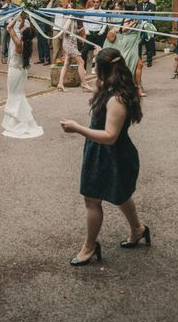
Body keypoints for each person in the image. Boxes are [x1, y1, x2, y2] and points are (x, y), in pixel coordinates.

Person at [60, 47, 149, 266]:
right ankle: (138, 230)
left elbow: (110, 136)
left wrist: (77, 128)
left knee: (93, 199)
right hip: (103, 151)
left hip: (111, 154)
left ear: (104, 69)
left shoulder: (116, 99)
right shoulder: (110, 87)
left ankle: (90, 247)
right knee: (119, 195)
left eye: (96, 67)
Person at [2, 14, 43, 138]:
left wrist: (17, 16)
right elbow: (18, 28)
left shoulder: (18, 43)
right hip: (22, 72)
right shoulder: (27, 43)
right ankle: (19, 120)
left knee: (14, 95)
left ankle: (16, 123)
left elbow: (9, 27)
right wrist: (23, 19)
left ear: (23, 34)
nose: (22, 28)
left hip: (15, 72)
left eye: (23, 28)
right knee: (19, 95)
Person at [103, 3, 146, 96]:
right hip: (127, 44)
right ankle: (135, 87)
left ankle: (136, 86)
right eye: (135, 8)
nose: (136, 10)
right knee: (136, 64)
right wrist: (133, 23)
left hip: (133, 44)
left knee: (137, 65)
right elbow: (123, 29)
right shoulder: (127, 18)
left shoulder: (135, 17)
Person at [56, 10, 93, 92]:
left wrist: (80, 30)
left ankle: (60, 84)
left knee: (66, 64)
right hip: (69, 45)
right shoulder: (69, 19)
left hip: (71, 44)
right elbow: (65, 31)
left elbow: (73, 32)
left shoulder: (73, 19)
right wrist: (69, 23)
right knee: (81, 62)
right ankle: (84, 83)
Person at [81, 0, 107, 72]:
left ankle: (94, 68)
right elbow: (85, 21)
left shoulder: (103, 12)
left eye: (97, 2)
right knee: (84, 51)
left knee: (98, 52)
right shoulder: (88, 11)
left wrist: (101, 32)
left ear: (100, 3)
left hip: (98, 34)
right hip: (90, 34)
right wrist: (86, 31)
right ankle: (84, 68)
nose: (95, 3)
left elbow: (104, 23)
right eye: (94, 2)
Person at [137, 0, 156, 67]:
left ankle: (149, 61)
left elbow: (151, 14)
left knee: (149, 44)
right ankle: (139, 60)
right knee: (139, 44)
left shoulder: (152, 5)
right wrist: (146, 12)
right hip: (140, 26)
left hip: (148, 27)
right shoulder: (138, 5)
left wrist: (142, 13)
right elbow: (137, 14)